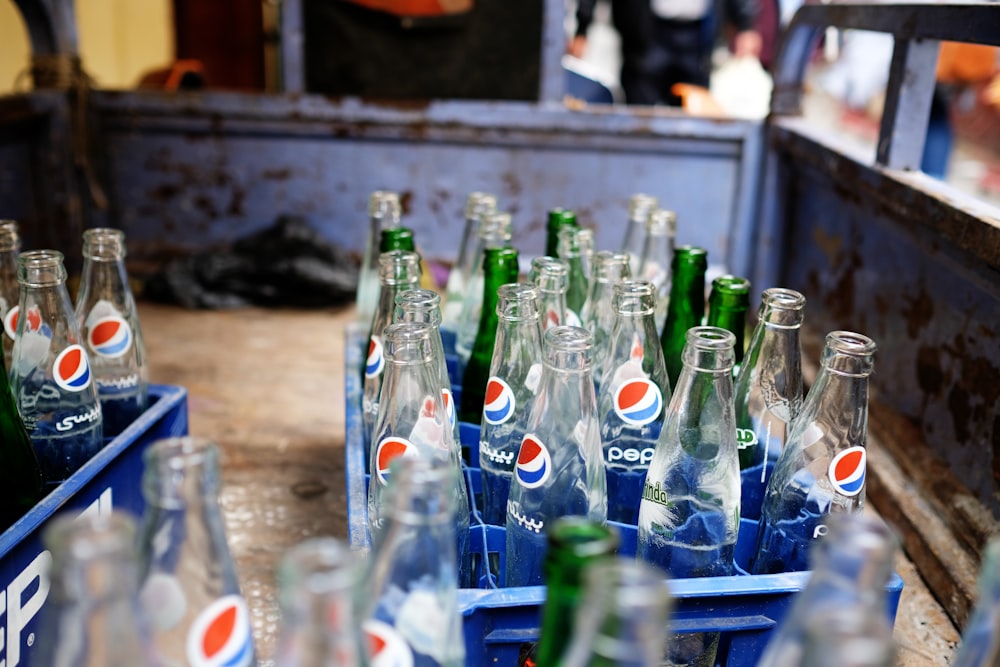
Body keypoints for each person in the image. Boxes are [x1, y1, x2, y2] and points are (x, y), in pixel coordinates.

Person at [569, 0, 762, 106]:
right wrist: (582, 27)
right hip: (645, 32)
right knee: (639, 116)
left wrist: (745, 22)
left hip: (696, 36)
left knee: (693, 120)